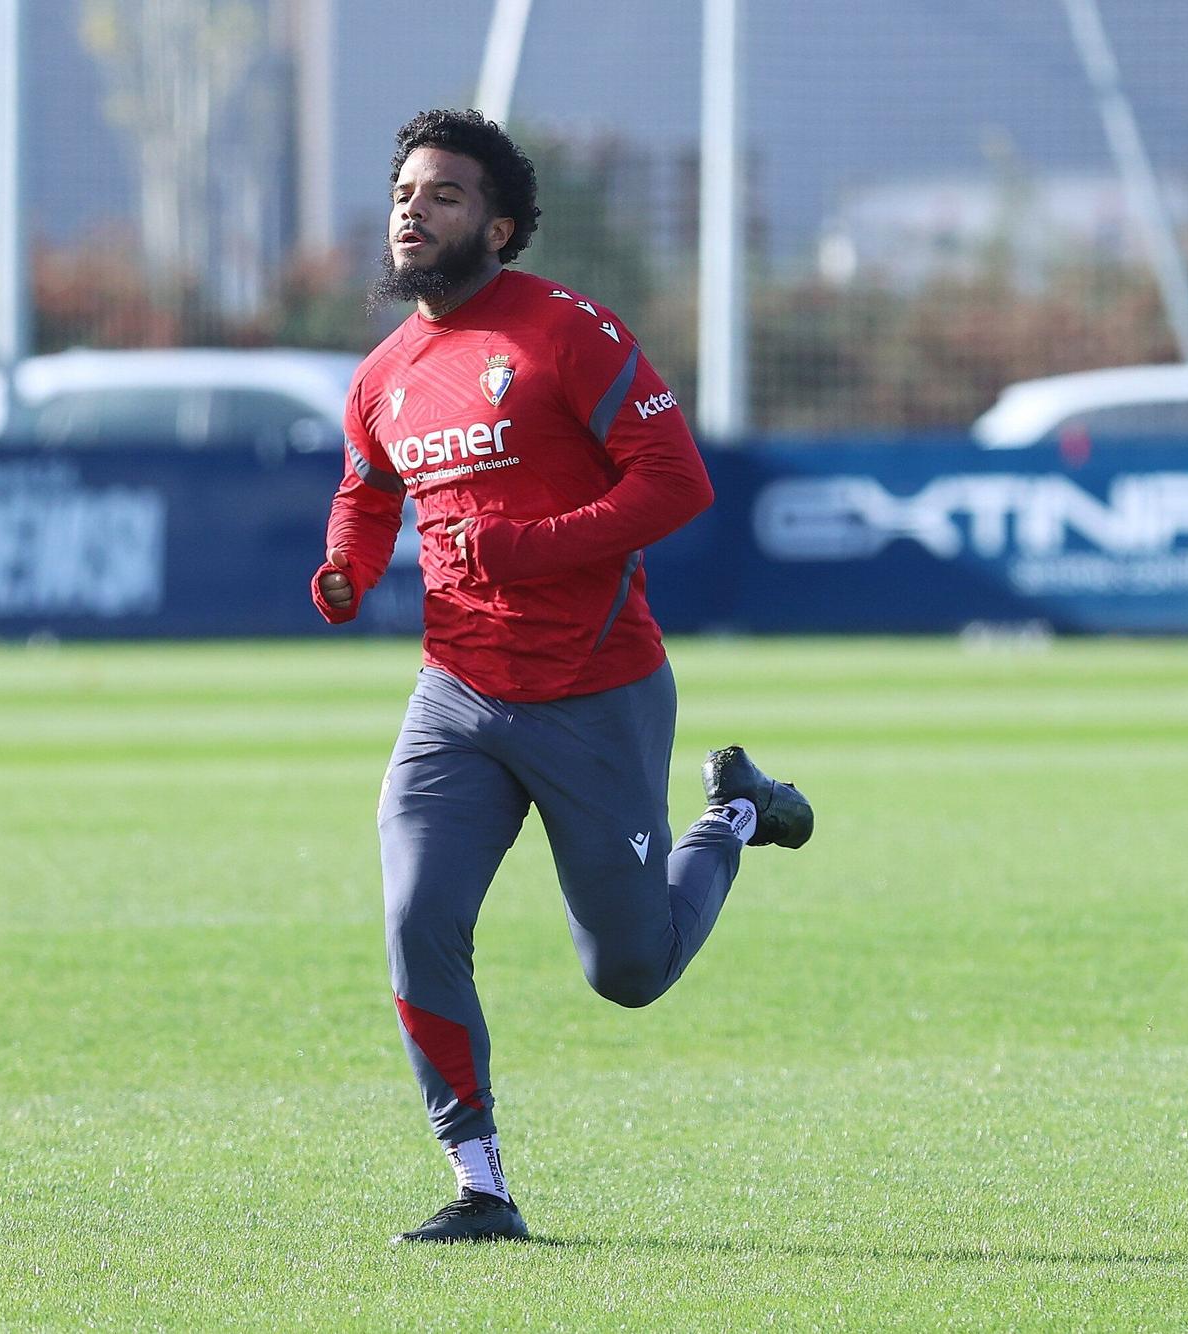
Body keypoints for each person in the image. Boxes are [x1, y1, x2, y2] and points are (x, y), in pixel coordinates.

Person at [312, 108, 813, 1246]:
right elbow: (366, 487)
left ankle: (733, 812)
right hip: (455, 698)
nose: (411, 208)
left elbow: (675, 482)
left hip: (594, 691)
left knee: (627, 970)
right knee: (414, 915)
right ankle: (480, 1181)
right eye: (402, 191)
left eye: (441, 195)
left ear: (498, 225)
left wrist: (532, 547)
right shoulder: (382, 373)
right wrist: (343, 566)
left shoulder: (562, 332)